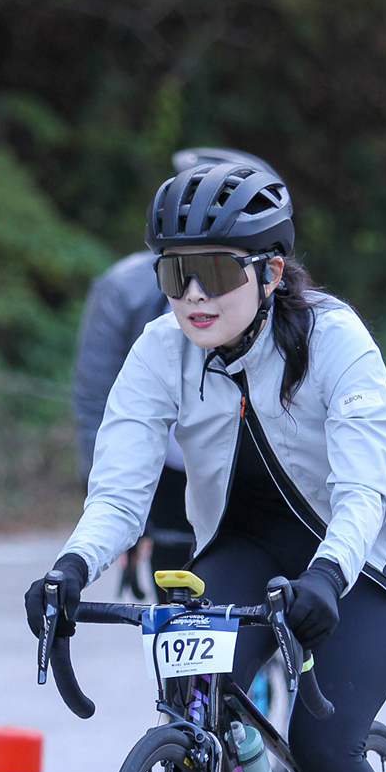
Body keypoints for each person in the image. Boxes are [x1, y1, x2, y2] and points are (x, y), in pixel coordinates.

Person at [27, 160, 386, 772]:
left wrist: (328, 575)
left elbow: (364, 489)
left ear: (271, 271)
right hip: (246, 547)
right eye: (175, 273)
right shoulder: (161, 349)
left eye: (215, 272)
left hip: (370, 557)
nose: (192, 297)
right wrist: (71, 567)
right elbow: (121, 491)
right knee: (193, 704)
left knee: (325, 742)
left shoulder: (335, 342)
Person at [71, 147, 275, 592]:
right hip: (167, 469)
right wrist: (120, 519)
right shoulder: (121, 290)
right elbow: (95, 403)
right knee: (179, 602)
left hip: (251, 465)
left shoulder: (259, 282)